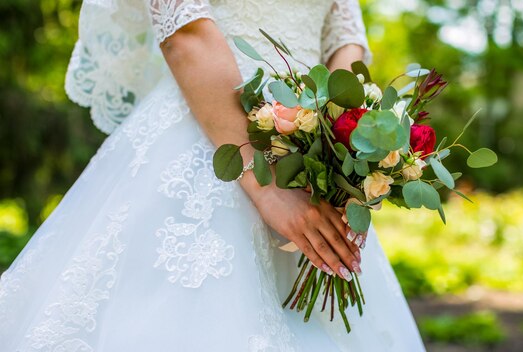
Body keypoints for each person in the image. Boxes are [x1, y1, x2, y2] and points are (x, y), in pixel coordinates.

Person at [0, 0, 426, 350]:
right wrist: (269, 186)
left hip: (315, 151)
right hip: (206, 133)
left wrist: (341, 150)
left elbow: (345, 41)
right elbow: (184, 30)